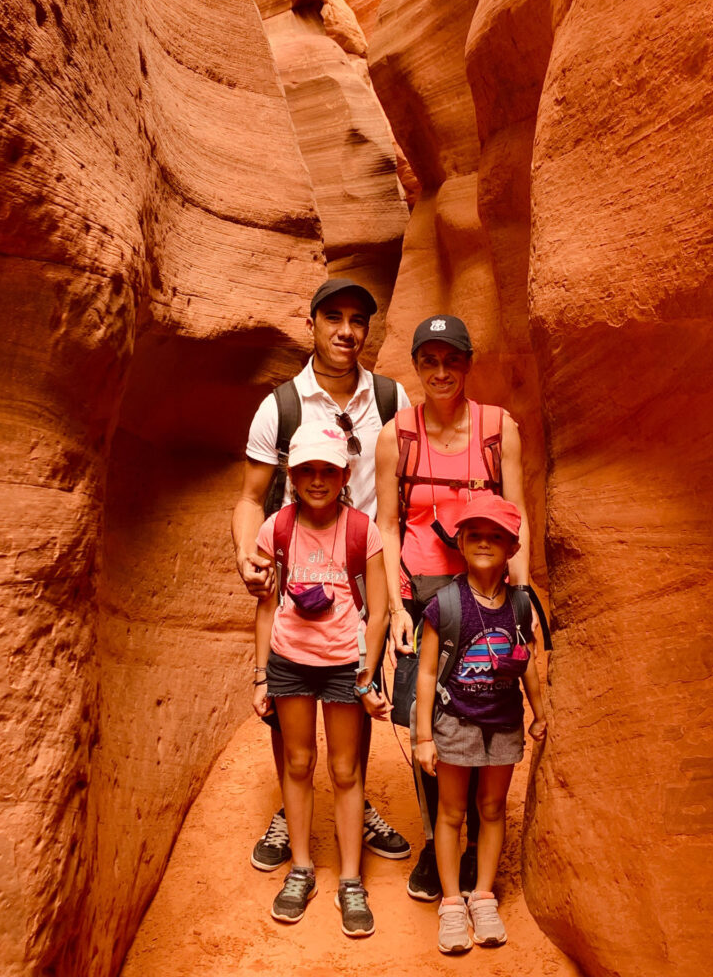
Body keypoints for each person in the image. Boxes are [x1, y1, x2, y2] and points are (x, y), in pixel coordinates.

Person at [232, 278, 411, 871]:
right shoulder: (282, 406)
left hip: (362, 576)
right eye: (333, 317)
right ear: (311, 322)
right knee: (289, 698)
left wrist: (398, 587)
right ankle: (294, 808)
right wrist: (247, 557)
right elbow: (250, 497)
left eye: (358, 320)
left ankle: (354, 803)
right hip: (299, 572)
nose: (346, 331)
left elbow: (401, 499)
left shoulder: (389, 400)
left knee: (355, 697)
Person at [375, 314, 535, 901]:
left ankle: (470, 846)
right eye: (429, 361)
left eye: (452, 360)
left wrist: (520, 600)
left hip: (487, 592)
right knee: (427, 720)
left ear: (468, 364)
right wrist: (394, 606)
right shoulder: (398, 435)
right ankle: (437, 836)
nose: (440, 372)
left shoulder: (498, 430)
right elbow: (388, 526)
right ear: (417, 366)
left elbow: (516, 514)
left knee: (485, 705)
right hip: (423, 597)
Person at [252, 421, 390, 936]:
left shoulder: (362, 530)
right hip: (289, 661)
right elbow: (266, 609)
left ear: (343, 473)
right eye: (306, 470)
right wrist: (260, 675)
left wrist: (367, 674)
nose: (316, 480)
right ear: (292, 474)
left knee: (346, 768)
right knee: (297, 760)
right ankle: (302, 869)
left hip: (342, 665)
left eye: (326, 470)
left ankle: (351, 880)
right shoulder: (277, 529)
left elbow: (376, 612)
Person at [413, 497, 547, 953]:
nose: (484, 544)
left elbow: (525, 661)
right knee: (450, 812)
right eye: (474, 535)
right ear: (460, 542)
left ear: (512, 546)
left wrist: (540, 712)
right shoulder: (446, 604)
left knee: (492, 809)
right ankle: (452, 903)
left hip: (504, 722)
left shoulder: (520, 604)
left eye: (495, 537)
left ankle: (483, 895)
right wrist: (424, 736)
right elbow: (427, 673)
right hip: (456, 721)